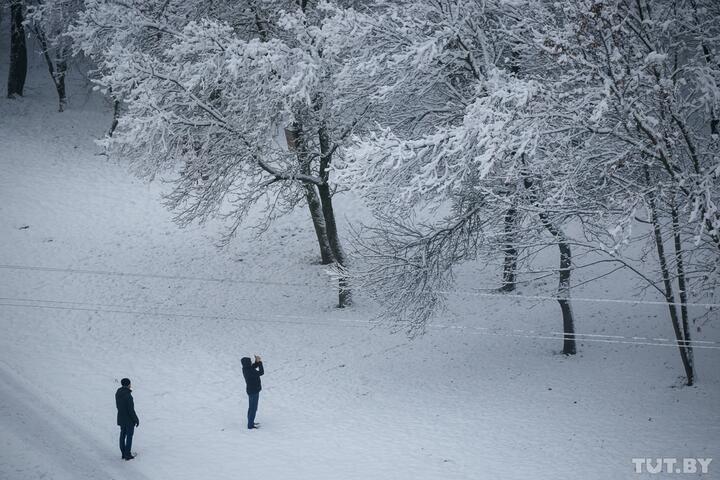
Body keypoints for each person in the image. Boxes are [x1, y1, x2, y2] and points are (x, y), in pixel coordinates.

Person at [115, 378, 140, 460]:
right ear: (128, 385)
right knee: (129, 436)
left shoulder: (118, 393)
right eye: (130, 384)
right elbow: (131, 410)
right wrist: (136, 419)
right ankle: (127, 454)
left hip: (121, 418)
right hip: (129, 420)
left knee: (122, 435)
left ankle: (123, 453)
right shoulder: (128, 396)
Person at [241, 355, 264, 429]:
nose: (251, 363)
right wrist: (260, 363)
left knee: (251, 408)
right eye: (250, 362)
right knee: (253, 409)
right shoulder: (250, 371)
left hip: (251, 391)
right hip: (254, 392)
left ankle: (250, 422)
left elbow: (253, 366)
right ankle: (250, 425)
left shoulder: (245, 368)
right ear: (247, 363)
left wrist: (256, 362)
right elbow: (261, 372)